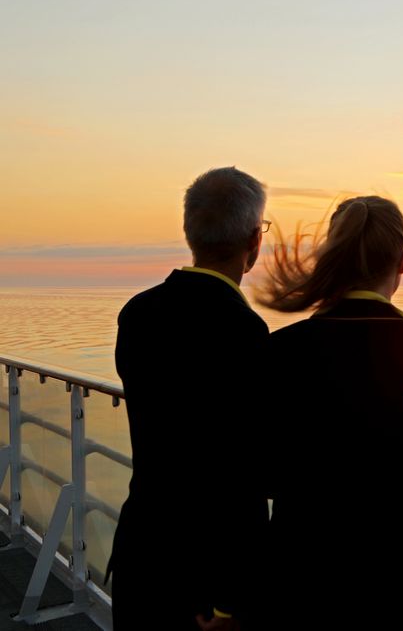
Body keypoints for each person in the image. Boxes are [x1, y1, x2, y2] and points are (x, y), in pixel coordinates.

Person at [258, 195, 403, 629]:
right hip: (395, 577)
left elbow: (263, 473)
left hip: (301, 574)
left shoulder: (283, 348)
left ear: (332, 256)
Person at [107, 167, 271, 630]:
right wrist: (232, 599)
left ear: (189, 233)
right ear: (253, 241)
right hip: (206, 581)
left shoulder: (137, 313)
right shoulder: (244, 332)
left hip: (142, 554)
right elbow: (241, 474)